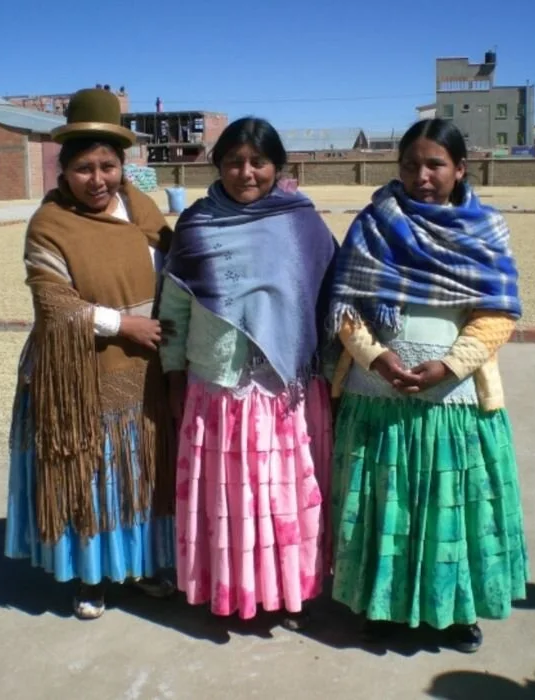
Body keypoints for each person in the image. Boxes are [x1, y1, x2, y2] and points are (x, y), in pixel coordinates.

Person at [323, 118, 527, 653]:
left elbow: (498, 314)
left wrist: (450, 366)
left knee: (451, 507)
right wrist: (378, 357)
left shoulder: (485, 231)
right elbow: (344, 308)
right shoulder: (371, 226)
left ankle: (455, 611)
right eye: (411, 165)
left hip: (453, 405)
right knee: (383, 506)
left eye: (435, 164)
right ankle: (382, 606)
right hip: (376, 401)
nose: (422, 175)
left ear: (461, 169)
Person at [5, 87, 178, 619]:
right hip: (79, 371)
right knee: (90, 474)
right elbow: (55, 305)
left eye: (107, 165)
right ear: (64, 169)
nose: (97, 179)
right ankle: (89, 575)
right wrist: (125, 324)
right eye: (84, 168)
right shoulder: (50, 223)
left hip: (146, 368)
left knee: (143, 469)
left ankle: (145, 563)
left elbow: (176, 262)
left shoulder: (142, 207)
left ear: (122, 165)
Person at [161, 117, 336, 626]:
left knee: (278, 498)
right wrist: (174, 373)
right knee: (228, 498)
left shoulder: (302, 223)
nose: (245, 172)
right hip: (218, 389)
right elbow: (173, 309)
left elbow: (327, 300)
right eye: (234, 161)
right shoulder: (195, 226)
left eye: (257, 161)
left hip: (284, 393)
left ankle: (285, 588)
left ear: (278, 167)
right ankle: (230, 589)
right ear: (216, 165)